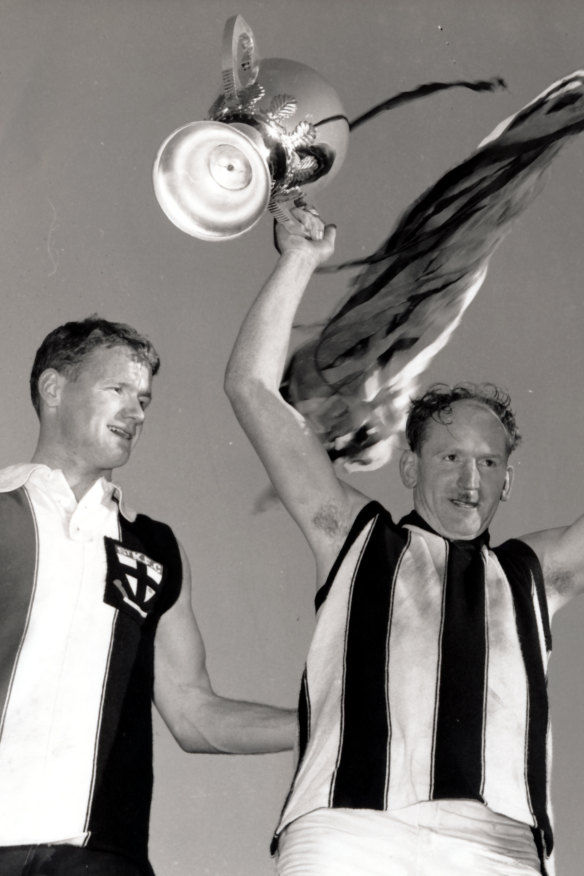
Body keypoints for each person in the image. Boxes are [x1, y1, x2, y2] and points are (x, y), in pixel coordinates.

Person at [224, 208, 583, 876]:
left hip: (496, 842)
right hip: (348, 829)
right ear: (411, 466)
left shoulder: (536, 573)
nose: (470, 478)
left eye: (488, 462)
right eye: (450, 458)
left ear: (508, 479)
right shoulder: (356, 536)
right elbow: (250, 388)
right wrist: (299, 258)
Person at [0, 316, 296, 876]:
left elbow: (193, 712)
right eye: (117, 390)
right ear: (53, 389)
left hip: (101, 856)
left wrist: (332, 721)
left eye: (144, 399)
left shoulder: (153, 546)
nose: (136, 413)